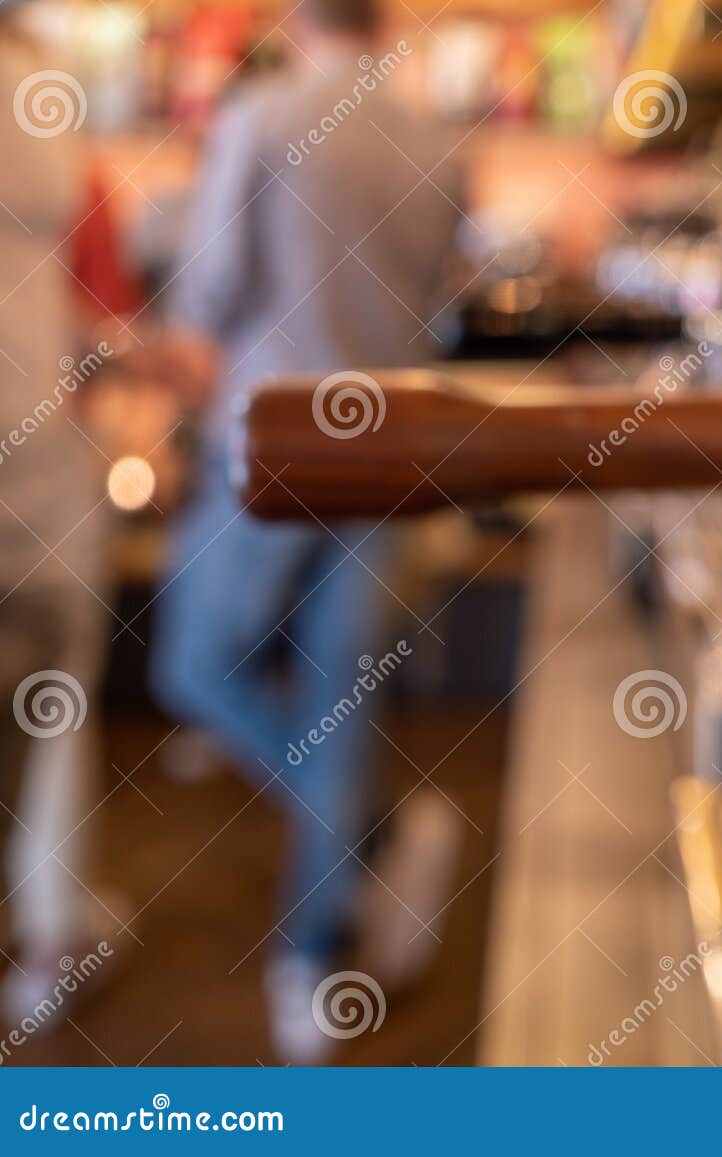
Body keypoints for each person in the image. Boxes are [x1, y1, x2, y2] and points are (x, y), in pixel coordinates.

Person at [150, 0, 465, 1063]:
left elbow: (206, 303)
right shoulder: (437, 143)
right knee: (341, 702)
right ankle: (312, 960)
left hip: (272, 444)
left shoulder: (263, 116)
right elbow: (438, 308)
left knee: (194, 665)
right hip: (392, 447)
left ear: (291, 17)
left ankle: (372, 837)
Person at [0, 2, 133, 1027]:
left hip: (41, 466)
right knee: (50, 707)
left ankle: (52, 933)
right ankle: (51, 938)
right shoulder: (35, 85)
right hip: (39, 472)